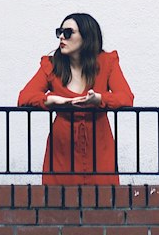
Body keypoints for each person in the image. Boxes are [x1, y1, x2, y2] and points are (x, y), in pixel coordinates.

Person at [17, 12, 134, 185]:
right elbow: (24, 97)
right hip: (62, 145)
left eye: (68, 32)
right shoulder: (51, 65)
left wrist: (99, 99)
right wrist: (50, 100)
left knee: (101, 198)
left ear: (86, 37)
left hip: (98, 143)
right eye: (60, 32)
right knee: (60, 200)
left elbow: (126, 97)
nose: (62, 37)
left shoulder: (106, 63)